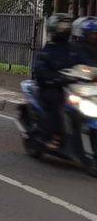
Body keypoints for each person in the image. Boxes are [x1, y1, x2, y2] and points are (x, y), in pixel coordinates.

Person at [34, 14, 80, 149]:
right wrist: (54, 78)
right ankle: (54, 135)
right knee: (56, 103)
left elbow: (84, 63)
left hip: (71, 87)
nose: (64, 29)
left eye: (67, 27)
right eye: (62, 27)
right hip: (51, 88)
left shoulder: (73, 49)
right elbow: (40, 70)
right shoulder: (47, 50)